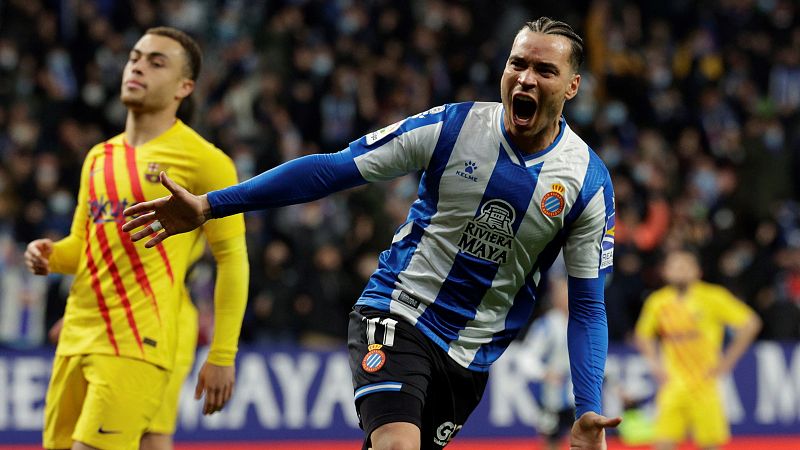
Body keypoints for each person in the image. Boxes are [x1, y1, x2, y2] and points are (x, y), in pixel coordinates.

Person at [124, 17, 621, 450]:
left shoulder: (586, 184)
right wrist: (212, 203)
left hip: (470, 355)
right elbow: (331, 170)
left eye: (544, 71)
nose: (525, 78)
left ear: (572, 86)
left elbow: (586, 305)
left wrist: (587, 408)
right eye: (517, 64)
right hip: (396, 310)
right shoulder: (452, 128)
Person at [24, 27, 249, 450]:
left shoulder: (205, 161)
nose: (138, 66)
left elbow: (233, 258)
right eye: (134, 57)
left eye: (156, 61)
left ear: (185, 87)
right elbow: (82, 248)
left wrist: (222, 354)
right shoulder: (98, 157)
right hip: (75, 337)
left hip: (138, 341)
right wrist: (50, 256)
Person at [634, 248, 761, 450]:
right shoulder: (658, 301)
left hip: (704, 384)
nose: (681, 270)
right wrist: (654, 363)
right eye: (675, 266)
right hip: (673, 384)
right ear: (666, 272)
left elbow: (751, 324)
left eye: (686, 266)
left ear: (697, 271)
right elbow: (642, 334)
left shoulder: (713, 296)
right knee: (662, 443)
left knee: (710, 445)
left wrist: (727, 362)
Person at [520, 276, 575, 450]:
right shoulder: (546, 325)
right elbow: (526, 356)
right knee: (551, 441)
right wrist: (544, 372)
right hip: (551, 398)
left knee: (582, 439)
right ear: (555, 297)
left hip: (578, 396)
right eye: (565, 293)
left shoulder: (586, 322)